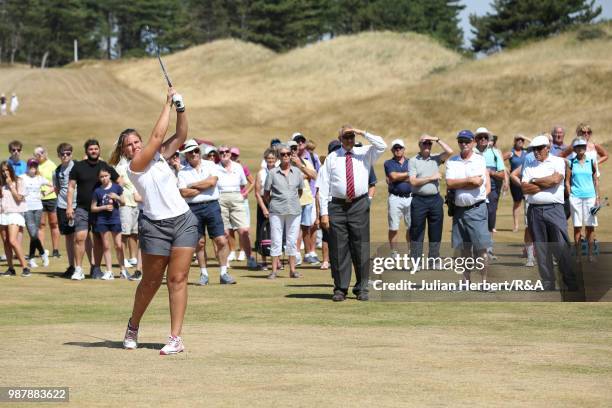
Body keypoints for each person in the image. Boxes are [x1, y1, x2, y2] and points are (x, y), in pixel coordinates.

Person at [120, 86, 198, 355]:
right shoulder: (134, 167)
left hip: (184, 221)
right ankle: (133, 324)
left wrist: (181, 108)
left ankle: (175, 337)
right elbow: (157, 135)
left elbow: (182, 135)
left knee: (178, 279)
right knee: (151, 282)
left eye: (136, 141)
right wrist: (165, 102)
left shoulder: (160, 156)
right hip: (155, 226)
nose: (134, 146)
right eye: (129, 145)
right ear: (125, 151)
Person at [319, 126, 387, 302]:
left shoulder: (364, 152)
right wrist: (324, 214)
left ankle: (362, 287)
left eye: (351, 137)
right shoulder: (332, 157)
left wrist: (361, 132)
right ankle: (341, 288)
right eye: (346, 137)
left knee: (361, 247)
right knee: (339, 248)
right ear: (340, 138)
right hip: (337, 206)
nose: (349, 140)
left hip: (358, 204)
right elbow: (324, 186)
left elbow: (382, 145)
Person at [521, 135, 577, 292]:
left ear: (547, 148)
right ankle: (548, 283)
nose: (536, 152)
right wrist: (543, 183)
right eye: (533, 149)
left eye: (539, 148)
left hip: (554, 209)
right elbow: (524, 188)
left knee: (561, 247)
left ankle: (570, 282)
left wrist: (534, 181)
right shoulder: (529, 163)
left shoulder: (558, 161)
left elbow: (555, 180)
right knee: (542, 249)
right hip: (534, 211)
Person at [177, 139, 233, 285]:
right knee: (199, 243)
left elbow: (212, 182)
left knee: (220, 240)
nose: (194, 154)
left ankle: (224, 272)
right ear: (186, 155)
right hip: (193, 209)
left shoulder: (210, 165)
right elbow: (183, 192)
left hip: (212, 206)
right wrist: (204, 185)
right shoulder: (182, 172)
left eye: (196, 151)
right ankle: (204, 274)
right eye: (191, 152)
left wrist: (193, 185)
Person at [66, 139, 120, 280]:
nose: (94, 151)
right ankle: (78, 269)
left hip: (100, 210)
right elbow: (71, 187)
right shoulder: (78, 166)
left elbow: (120, 181)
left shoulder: (104, 166)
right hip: (82, 209)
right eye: (91, 149)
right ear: (86, 151)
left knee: (98, 239)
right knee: (80, 237)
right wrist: (69, 206)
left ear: (99, 150)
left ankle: (96, 268)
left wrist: (114, 195)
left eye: (96, 149)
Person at [445, 130, 491, 283]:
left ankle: (484, 282)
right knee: (463, 250)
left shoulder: (479, 159)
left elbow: (478, 182)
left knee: (481, 249)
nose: (463, 144)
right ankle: (466, 281)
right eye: (460, 141)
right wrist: (468, 181)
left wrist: (460, 182)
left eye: (466, 141)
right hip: (459, 211)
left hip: (476, 209)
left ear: (472, 142)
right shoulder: (452, 161)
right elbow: (450, 183)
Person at [408, 134, 453, 261]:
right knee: (417, 232)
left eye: (429, 144)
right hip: (419, 200)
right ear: (419, 145)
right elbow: (413, 182)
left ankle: (434, 259)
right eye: (424, 143)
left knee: (436, 232)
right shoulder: (413, 160)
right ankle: (416, 260)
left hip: (435, 200)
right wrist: (430, 178)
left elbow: (450, 151)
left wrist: (436, 139)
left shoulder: (436, 158)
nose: (427, 145)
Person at [263, 144, 304, 279]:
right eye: (283, 154)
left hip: (294, 210)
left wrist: (291, 200)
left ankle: (292, 270)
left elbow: (300, 191)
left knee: (292, 240)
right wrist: (273, 205)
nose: (286, 156)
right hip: (276, 210)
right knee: (276, 239)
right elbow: (266, 193)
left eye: (288, 154)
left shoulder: (297, 172)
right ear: (279, 157)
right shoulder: (272, 173)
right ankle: (274, 271)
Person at [217, 145, 258, 269]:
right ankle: (225, 261)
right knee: (224, 232)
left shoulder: (238, 167)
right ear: (219, 154)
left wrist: (243, 194)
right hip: (221, 198)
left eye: (226, 151)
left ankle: (250, 258)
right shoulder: (214, 168)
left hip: (236, 196)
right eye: (221, 152)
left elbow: (244, 184)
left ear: (230, 153)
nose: (224, 153)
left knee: (243, 230)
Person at [109, 142, 142, 276]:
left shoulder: (136, 165)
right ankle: (123, 259)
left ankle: (133, 257)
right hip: (125, 203)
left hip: (137, 203)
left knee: (135, 232)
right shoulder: (120, 167)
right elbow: (119, 183)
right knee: (124, 233)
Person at [566, 137, 600, 262]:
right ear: (574, 148)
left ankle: (590, 255)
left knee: (590, 227)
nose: (581, 148)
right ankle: (579, 256)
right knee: (577, 227)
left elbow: (595, 180)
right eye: (578, 146)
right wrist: (570, 195)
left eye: (583, 146)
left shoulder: (591, 161)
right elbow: (567, 182)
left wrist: (597, 197)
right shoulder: (570, 163)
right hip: (576, 198)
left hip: (590, 197)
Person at [91, 168, 128, 280]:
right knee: (106, 246)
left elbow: (123, 202)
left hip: (115, 219)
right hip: (102, 220)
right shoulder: (97, 191)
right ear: (99, 178)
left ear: (110, 175)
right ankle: (109, 271)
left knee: (118, 245)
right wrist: (103, 207)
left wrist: (116, 197)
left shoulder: (117, 187)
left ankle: (123, 270)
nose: (104, 178)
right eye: (101, 177)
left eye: (106, 176)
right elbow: (93, 208)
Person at [288, 137, 319, 266]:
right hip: (292, 200)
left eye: (295, 148)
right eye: (292, 148)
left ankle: (307, 254)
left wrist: (301, 166)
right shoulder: (284, 162)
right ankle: (296, 254)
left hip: (306, 198)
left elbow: (315, 175)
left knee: (306, 228)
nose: (294, 151)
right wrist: (303, 175)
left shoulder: (304, 161)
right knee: (295, 229)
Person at [20, 159, 53, 268]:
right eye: (31, 165)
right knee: (33, 234)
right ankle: (43, 253)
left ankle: (32, 258)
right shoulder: (22, 177)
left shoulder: (40, 178)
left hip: (38, 208)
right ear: (28, 166)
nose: (33, 167)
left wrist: (45, 193)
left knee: (34, 234)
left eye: (35, 165)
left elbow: (53, 185)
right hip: (27, 208)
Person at [473, 127, 505, 236]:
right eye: (480, 137)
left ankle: (488, 248)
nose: (483, 139)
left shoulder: (495, 152)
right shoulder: (471, 152)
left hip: (492, 187)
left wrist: (491, 173)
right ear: (475, 139)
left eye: (485, 137)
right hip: (474, 187)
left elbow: (502, 174)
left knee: (491, 215)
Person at [0, 161, 30, 277]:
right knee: (6, 242)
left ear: (11, 170)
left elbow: (18, 198)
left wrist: (11, 185)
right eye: (2, 171)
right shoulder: (1, 184)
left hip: (15, 213)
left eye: (6, 170)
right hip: (3, 214)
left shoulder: (19, 181)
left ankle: (25, 267)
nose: (5, 173)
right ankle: (11, 268)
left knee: (13, 240)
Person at [53, 143, 78, 278]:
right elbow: (57, 189)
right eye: (62, 154)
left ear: (71, 154)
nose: (65, 156)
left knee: (82, 236)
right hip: (62, 206)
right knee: (69, 237)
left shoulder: (77, 167)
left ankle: (92, 266)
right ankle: (72, 266)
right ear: (58, 155)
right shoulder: (57, 171)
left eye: (68, 153)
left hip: (77, 205)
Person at [384, 139, 412, 254]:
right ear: (392, 150)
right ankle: (394, 252)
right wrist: (408, 175)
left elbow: (415, 177)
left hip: (411, 198)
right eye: (395, 148)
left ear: (404, 149)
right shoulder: (388, 163)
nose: (398, 150)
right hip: (395, 198)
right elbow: (393, 176)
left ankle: (411, 250)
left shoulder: (411, 162)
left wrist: (398, 177)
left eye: (400, 148)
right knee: (393, 227)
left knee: (411, 227)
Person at [227, 147, 254, 263]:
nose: (233, 157)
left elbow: (252, 181)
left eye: (235, 155)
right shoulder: (223, 167)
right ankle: (232, 251)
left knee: (242, 228)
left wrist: (246, 192)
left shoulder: (242, 168)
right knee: (230, 228)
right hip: (228, 200)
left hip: (241, 201)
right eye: (231, 154)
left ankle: (242, 252)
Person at [33, 146, 60, 258]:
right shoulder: (34, 166)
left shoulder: (52, 165)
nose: (40, 155)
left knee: (54, 223)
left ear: (46, 153)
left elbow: (55, 184)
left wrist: (47, 193)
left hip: (51, 197)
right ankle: (42, 250)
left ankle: (55, 250)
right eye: (37, 154)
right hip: (39, 199)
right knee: (41, 224)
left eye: (41, 153)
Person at [255, 148, 279, 271]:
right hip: (263, 205)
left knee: (277, 232)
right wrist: (264, 208)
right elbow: (257, 193)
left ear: (276, 160)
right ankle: (264, 260)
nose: (270, 160)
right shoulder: (261, 173)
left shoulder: (279, 172)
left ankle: (277, 261)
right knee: (262, 232)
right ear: (265, 159)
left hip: (277, 205)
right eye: (268, 158)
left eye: (272, 158)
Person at [503, 135, 529, 232]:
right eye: (518, 139)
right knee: (517, 203)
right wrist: (506, 169)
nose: (520, 141)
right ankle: (516, 225)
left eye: (522, 140)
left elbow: (534, 143)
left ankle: (528, 224)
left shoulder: (526, 152)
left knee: (528, 202)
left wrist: (525, 137)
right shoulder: (511, 153)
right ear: (514, 141)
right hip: (514, 181)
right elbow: (500, 160)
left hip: (526, 180)